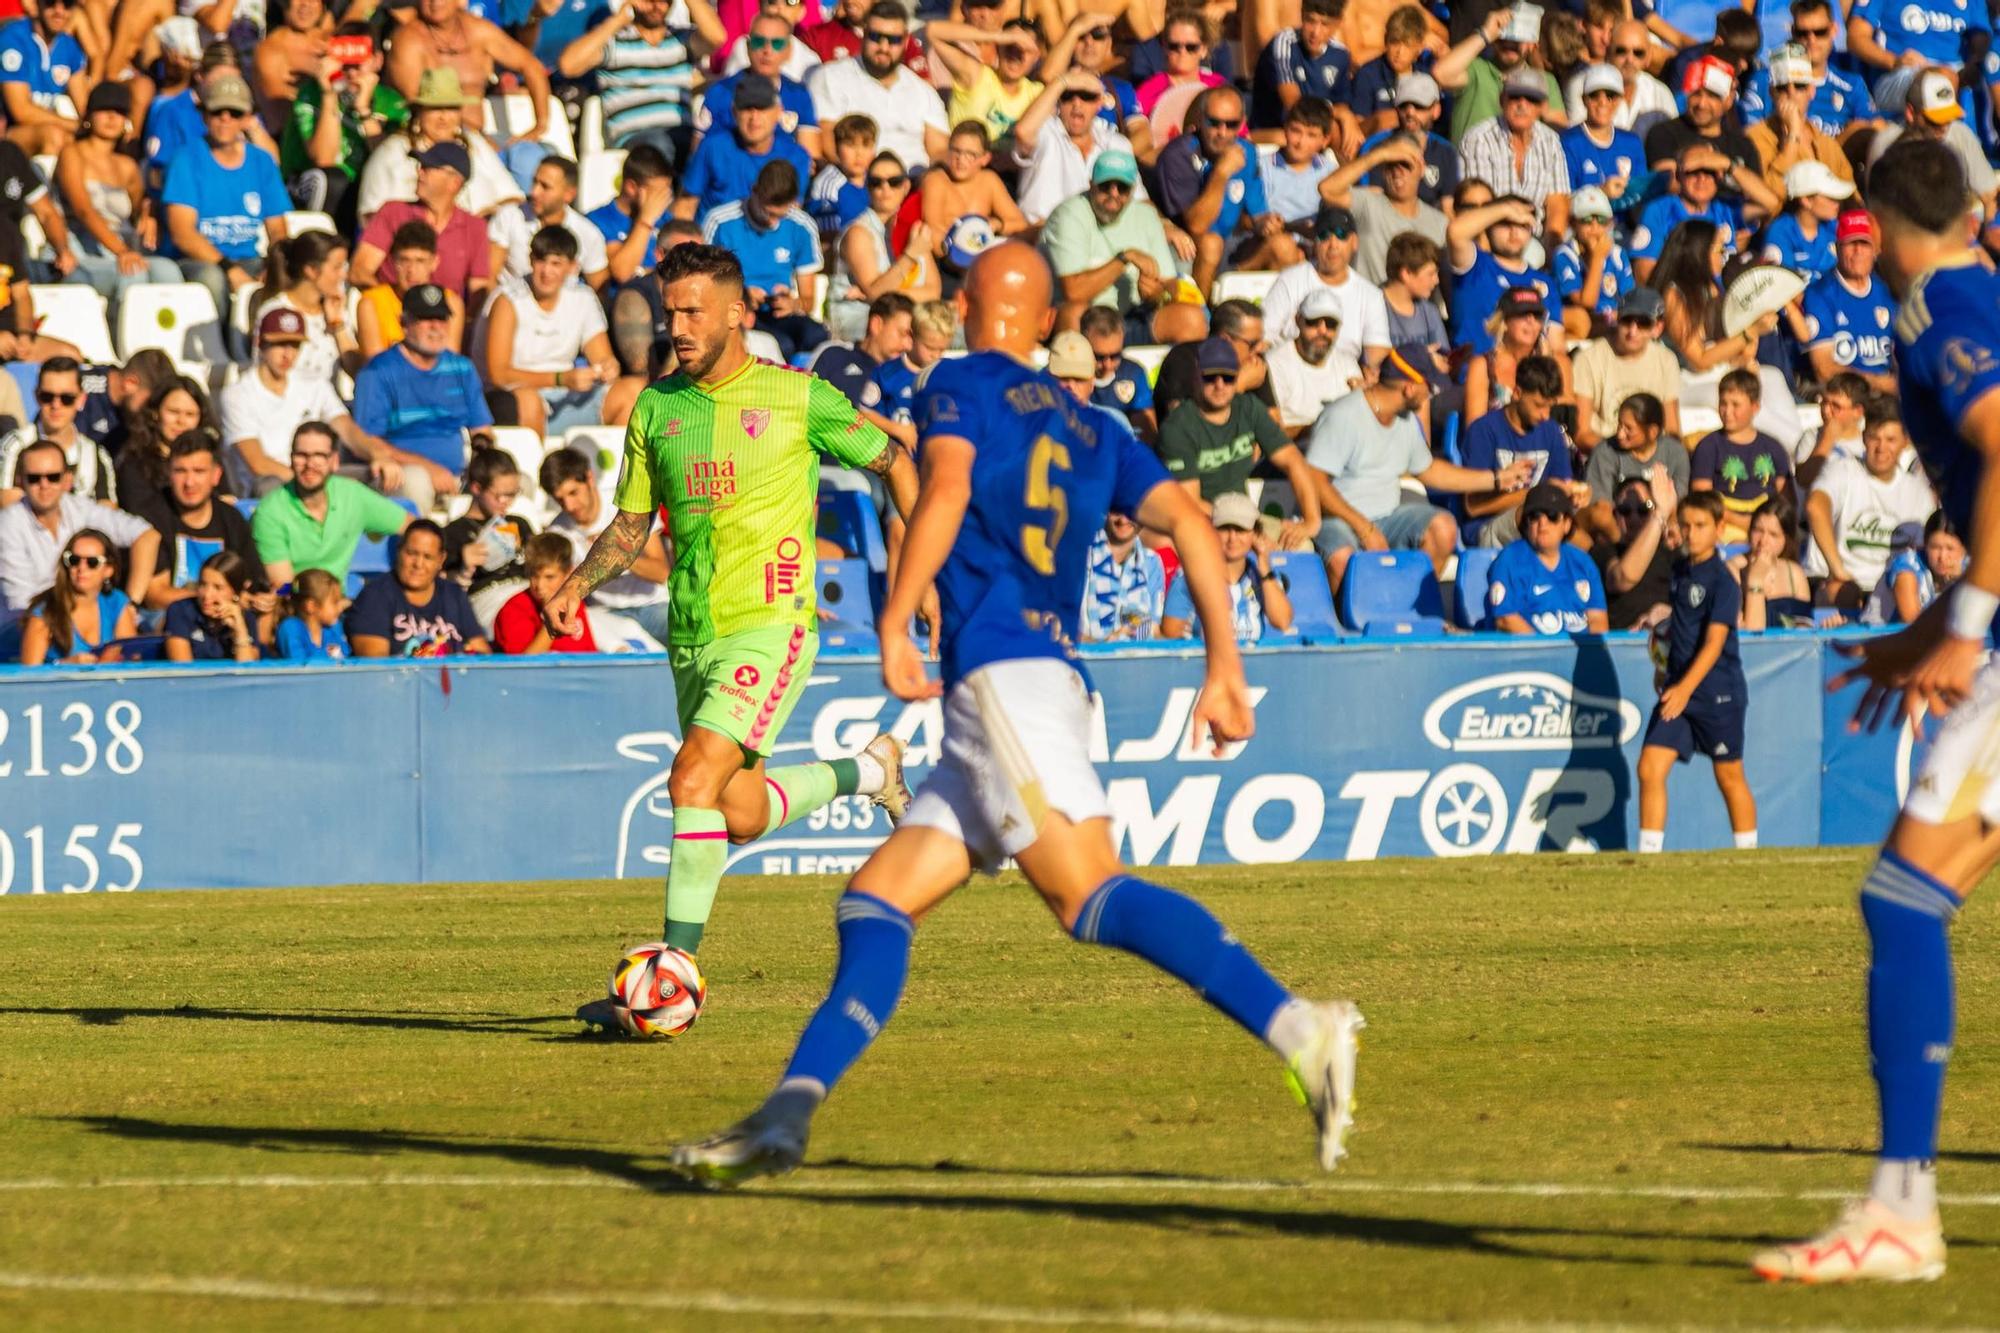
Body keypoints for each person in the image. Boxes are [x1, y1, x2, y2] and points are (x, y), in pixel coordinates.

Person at [668, 239, 1364, 1188]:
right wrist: (1224, 665)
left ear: (962, 305)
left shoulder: (954, 383)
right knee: (874, 901)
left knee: (1087, 895)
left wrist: (897, 614)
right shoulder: (1095, 424)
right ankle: (785, 1116)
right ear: (1047, 324)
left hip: (1000, 674)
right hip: (1034, 683)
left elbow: (945, 487)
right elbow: (1197, 527)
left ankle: (1301, 1027)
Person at [537, 243, 919, 1010]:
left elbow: (896, 460)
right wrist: (579, 581)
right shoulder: (656, 406)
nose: (673, 326)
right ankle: (870, 772)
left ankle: (669, 977)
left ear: (737, 312)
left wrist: (919, 581)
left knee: (691, 778)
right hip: (692, 633)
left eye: (690, 311)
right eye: (666, 310)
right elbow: (634, 522)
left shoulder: (797, 396)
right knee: (736, 812)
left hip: (771, 624)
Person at [1752, 134, 2000, 1287]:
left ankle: (1899, 1210)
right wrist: (1919, 636)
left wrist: (1959, 628)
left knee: (1901, 899)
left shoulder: (1934, 309)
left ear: (1878, 219)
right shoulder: (1977, 287)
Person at [1304, 348, 1530, 589]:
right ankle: (1345, 622)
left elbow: (1430, 470)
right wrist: (1364, 528)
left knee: (1443, 529)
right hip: (1338, 517)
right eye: (1429, 389)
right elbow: (1314, 483)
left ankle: (1407, 606)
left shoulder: (1405, 420)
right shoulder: (1342, 415)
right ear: (1409, 388)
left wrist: (1496, 479)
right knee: (1343, 559)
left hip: (1388, 517)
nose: (1429, 398)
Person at [1637, 490, 1756, 853]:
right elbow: (1680, 630)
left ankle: (1749, 855)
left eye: (1700, 526)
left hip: (1716, 691)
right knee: (1650, 767)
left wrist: (1686, 687)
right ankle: (1649, 858)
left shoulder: (1723, 581)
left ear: (1720, 528)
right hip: (1678, 689)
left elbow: (1714, 642)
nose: (1691, 533)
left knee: (1729, 775)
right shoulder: (1679, 570)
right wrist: (1664, 669)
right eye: (1685, 525)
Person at [1158, 338, 1323, 544]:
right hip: (1199, 522)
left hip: (1245, 518)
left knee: (1301, 547)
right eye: (1210, 377)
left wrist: (1311, 522)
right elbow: (1189, 502)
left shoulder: (1248, 408)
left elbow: (1292, 460)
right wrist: (1248, 530)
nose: (1219, 385)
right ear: (1196, 377)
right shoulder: (1177, 427)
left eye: (1227, 377)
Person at [0, 441, 158, 654]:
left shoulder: (80, 508)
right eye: (34, 478)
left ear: (67, 480)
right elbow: (25, 603)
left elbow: (146, 535)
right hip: (28, 624)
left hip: (86, 613)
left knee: (164, 625)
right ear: (20, 481)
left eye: (52, 477)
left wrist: (132, 602)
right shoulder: (8, 523)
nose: (44, 484)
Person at [222, 308, 397, 499]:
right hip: (271, 483)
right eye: (279, 344)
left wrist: (377, 454)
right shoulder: (237, 394)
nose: (288, 354)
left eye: (295, 345)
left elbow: (347, 429)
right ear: (260, 343)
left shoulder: (314, 384)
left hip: (317, 475)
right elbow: (258, 463)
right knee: (270, 487)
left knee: (386, 477)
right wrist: (315, 483)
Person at [162, 70, 290, 329]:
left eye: (235, 113)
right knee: (213, 279)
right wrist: (229, 268)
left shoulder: (261, 161)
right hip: (199, 261)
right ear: (204, 114)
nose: (225, 119)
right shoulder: (185, 159)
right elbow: (182, 233)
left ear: (247, 118)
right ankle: (223, 349)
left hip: (250, 257)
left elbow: (278, 229)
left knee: (289, 275)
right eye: (216, 111)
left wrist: (275, 267)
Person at [1041, 148, 1205, 347]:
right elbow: (1074, 292)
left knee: (1192, 318)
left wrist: (1156, 294)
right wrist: (1124, 258)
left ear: (1133, 190)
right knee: (1074, 312)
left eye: (1122, 188)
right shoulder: (1068, 216)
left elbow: (1169, 282)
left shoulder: (1146, 216)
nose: (1114, 194)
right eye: (1105, 186)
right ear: (1091, 185)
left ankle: (1182, 377)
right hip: (1088, 320)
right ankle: (1079, 375)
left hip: (1133, 316)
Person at [481, 226, 631, 435]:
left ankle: (615, 465)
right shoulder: (508, 300)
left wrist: (608, 368)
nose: (546, 272)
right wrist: (561, 379)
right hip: (517, 399)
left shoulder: (583, 297)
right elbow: (499, 375)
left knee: (633, 391)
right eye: (541, 261)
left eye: (556, 264)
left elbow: (602, 357)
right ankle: (537, 466)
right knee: (529, 401)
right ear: (531, 260)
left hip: (568, 398)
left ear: (572, 267)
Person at [353, 285, 494, 504]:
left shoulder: (462, 368)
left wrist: (484, 462)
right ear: (404, 323)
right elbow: (368, 441)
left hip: (459, 476)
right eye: (425, 319)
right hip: (399, 476)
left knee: (513, 481)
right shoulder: (378, 372)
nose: (436, 327)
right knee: (417, 482)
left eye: (442, 319)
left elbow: (481, 428)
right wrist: (427, 469)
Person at [1153, 87, 1300, 297]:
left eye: (1231, 125)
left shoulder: (1247, 151)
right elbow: (1196, 226)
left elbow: (1256, 213)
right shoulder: (1179, 155)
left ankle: (1272, 317)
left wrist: (1265, 223)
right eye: (1214, 123)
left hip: (1229, 244)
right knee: (1211, 243)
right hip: (1183, 249)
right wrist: (1221, 173)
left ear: (1241, 122)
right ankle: (1201, 318)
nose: (1222, 132)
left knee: (1284, 245)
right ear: (1201, 120)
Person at [56, 82, 179, 321]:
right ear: (89, 114)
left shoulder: (128, 166)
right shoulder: (72, 153)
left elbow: (140, 206)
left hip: (124, 248)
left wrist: (148, 213)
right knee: (132, 274)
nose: (113, 117)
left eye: (120, 111)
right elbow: (83, 209)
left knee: (169, 271)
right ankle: (126, 348)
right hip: (82, 251)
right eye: (104, 109)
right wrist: (122, 251)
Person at [1808, 398, 1939, 610]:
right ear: (1863, 439)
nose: (1881, 448)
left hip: (1894, 586)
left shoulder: (1918, 492)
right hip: (1845, 583)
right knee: (1843, 592)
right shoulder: (1843, 470)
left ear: (1905, 442)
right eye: (1874, 438)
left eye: (1890, 439)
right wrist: (1838, 570)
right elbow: (1815, 506)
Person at [250, 422, 414, 587]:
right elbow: (281, 587)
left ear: (334, 461)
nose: (309, 464)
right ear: (291, 459)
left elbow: (415, 528)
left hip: (340, 603)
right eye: (301, 455)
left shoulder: (352, 495)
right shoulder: (270, 512)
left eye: (319, 455)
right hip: (293, 605)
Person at [354, 67, 521, 225]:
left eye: (450, 108)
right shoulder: (394, 150)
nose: (443, 117)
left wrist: (479, 224)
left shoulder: (475, 144)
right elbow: (371, 214)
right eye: (435, 108)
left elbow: (511, 197)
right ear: (420, 111)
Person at [558, 0, 724, 158]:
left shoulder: (681, 39)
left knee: (718, 144)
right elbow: (568, 65)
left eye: (664, 1)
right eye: (650, 0)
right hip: (636, 141)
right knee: (663, 143)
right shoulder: (615, 42)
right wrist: (618, 19)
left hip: (681, 133)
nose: (657, 6)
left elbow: (718, 38)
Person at [383, 0, 553, 151]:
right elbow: (417, 104)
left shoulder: (478, 30)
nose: (435, 2)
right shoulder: (408, 40)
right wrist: (477, 141)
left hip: (483, 138)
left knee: (538, 156)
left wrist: (540, 125)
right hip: (436, 141)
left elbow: (532, 66)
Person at [280, 19, 401, 229]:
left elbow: (390, 161)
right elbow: (324, 159)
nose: (352, 73)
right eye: (345, 65)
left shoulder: (391, 101)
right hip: (310, 183)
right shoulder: (310, 94)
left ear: (378, 61)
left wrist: (364, 110)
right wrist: (329, 94)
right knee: (334, 179)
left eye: (358, 65)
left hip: (364, 185)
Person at [702, 158, 829, 358]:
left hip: (777, 314)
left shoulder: (802, 226)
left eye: (780, 215)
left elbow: (808, 299)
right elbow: (703, 282)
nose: (772, 222)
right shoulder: (720, 221)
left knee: (816, 336)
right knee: (781, 345)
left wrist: (792, 303)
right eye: (767, 212)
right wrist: (741, 294)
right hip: (735, 312)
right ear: (755, 191)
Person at [804, 2, 946, 170]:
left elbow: (939, 150)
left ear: (906, 41)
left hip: (914, 183)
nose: (883, 47)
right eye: (876, 37)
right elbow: (825, 141)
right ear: (864, 34)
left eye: (893, 40)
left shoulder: (922, 91)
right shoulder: (830, 77)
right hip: (855, 180)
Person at [1460, 355, 1583, 548]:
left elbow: (1562, 486)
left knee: (1595, 516)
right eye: (1539, 405)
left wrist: (1575, 494)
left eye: (1550, 407)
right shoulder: (1484, 430)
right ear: (1517, 393)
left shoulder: (1551, 431)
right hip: (1489, 525)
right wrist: (1536, 495)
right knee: (1537, 520)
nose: (1545, 415)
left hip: (1546, 523)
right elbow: (1473, 506)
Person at [352, 141, 491, 305]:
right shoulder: (393, 212)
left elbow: (479, 292)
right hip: (391, 319)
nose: (419, 172)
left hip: (445, 323)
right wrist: (396, 306)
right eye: (420, 166)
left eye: (428, 167)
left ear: (454, 182)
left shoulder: (475, 227)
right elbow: (359, 272)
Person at [140, 433, 268, 608]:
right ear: (169, 473)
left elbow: (254, 582)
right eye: (180, 471)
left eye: (199, 471)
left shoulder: (231, 519)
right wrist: (215, 598)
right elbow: (155, 596)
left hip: (226, 612)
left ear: (216, 475)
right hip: (170, 616)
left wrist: (263, 600)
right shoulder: (152, 516)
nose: (189, 482)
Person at [1260, 203, 1391, 364]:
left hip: (1344, 380)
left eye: (1341, 235)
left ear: (1354, 242)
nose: (1333, 245)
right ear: (1315, 242)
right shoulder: (1289, 280)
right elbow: (1263, 339)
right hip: (1290, 373)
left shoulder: (1371, 296)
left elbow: (1376, 357)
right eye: (1324, 235)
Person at [675, 73, 813, 225]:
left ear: (778, 112)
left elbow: (789, 213)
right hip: (713, 243)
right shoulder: (713, 147)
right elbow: (685, 206)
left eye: (762, 108)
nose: (754, 117)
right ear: (734, 112)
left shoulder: (795, 156)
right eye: (747, 108)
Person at [1314, 130, 1446, 287]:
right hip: (1365, 305)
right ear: (1383, 170)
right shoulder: (1367, 203)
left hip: (1414, 309)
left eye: (1405, 164)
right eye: (1391, 164)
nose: (1398, 171)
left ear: (1421, 169)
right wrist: (1380, 155)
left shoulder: (1440, 222)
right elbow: (1326, 189)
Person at [345, 518, 491, 657]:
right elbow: (376, 669)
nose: (418, 564)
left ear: (441, 560)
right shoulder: (375, 597)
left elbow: (482, 657)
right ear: (399, 552)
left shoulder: (454, 594)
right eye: (411, 553)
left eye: (427, 557)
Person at [1159, 492, 1293, 640]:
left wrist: (1263, 563)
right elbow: (1171, 637)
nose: (1232, 537)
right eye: (1224, 528)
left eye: (1240, 529)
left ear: (1255, 534)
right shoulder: (1188, 577)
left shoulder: (1263, 575)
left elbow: (1282, 621)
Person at [1458, 67, 1572, 238]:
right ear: (1502, 100)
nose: (1522, 104)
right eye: (1515, 97)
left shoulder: (1551, 141)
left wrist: (1552, 251)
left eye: (1531, 99)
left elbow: (1558, 203)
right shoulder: (1479, 138)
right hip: (1492, 235)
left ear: (1543, 107)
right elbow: (1477, 205)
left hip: (1536, 237)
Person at [1484, 481, 1610, 634]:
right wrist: (1547, 653)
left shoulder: (1583, 563)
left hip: (1580, 653)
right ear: (1526, 523)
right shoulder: (1509, 560)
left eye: (1552, 516)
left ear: (1567, 524)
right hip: (1529, 652)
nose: (1542, 524)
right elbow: (1506, 620)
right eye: (1534, 516)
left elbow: (1598, 621)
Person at [1444, 192, 1558, 356]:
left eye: (1522, 225)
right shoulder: (1474, 265)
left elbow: (1556, 345)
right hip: (1473, 374)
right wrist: (1504, 209)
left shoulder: (1545, 282)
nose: (1514, 232)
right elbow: (1455, 233)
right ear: (1489, 227)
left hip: (1525, 377)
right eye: (1505, 223)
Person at [1571, 287, 1681, 453]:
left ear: (1657, 327)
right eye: (1626, 321)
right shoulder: (1588, 359)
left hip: (1651, 456)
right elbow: (1582, 433)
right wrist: (1622, 457)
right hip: (1606, 453)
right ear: (1617, 319)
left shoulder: (1666, 360)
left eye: (1643, 323)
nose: (1632, 331)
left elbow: (1672, 429)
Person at [1800, 210, 1899, 396]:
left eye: (1864, 243)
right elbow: (1824, 369)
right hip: (1844, 395)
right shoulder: (1820, 294)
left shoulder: (1887, 291)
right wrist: (1879, 383)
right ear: (1837, 248)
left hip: (1887, 397)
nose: (1858, 251)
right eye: (1851, 243)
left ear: (1875, 250)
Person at [1691, 368, 1795, 541]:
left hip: (1768, 527)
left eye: (1735, 405)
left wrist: (1764, 525)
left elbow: (1787, 498)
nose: (1727, 411)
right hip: (1725, 527)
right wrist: (1742, 522)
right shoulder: (1709, 446)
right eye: (1723, 403)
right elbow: (1702, 499)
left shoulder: (1772, 446)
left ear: (1755, 407)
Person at [252, 231, 363, 391]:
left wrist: (338, 326)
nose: (343, 275)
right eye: (337, 267)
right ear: (311, 270)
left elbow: (357, 373)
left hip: (329, 408)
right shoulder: (275, 312)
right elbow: (264, 374)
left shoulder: (334, 310)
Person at [0, 358, 115, 506]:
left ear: (81, 400)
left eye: (67, 398)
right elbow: (7, 503)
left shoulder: (96, 455)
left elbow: (109, 514)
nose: (56, 405)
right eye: (47, 397)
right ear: (36, 396)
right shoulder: (15, 445)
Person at [488, 155, 610, 292]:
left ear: (569, 194)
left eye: (545, 187)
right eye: (534, 182)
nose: (534, 192)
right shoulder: (509, 217)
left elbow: (600, 290)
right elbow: (489, 276)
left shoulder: (588, 234)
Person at [17, 528, 138, 665]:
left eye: (92, 562)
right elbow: (28, 675)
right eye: (74, 560)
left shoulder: (117, 602)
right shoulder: (45, 612)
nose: (81, 568)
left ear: (109, 570)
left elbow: (132, 660)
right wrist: (64, 665)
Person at [917, 122, 1028, 262]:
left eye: (971, 154)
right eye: (956, 151)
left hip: (982, 259)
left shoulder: (989, 180)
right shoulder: (936, 180)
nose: (961, 159)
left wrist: (996, 224)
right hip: (946, 265)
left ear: (985, 158)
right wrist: (961, 249)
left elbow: (1021, 225)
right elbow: (933, 234)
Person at [356, 221, 467, 361]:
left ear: (435, 262)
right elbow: (376, 366)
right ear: (393, 261)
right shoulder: (371, 302)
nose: (412, 270)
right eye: (404, 260)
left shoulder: (450, 303)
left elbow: (449, 362)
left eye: (420, 261)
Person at [0, 0, 90, 156]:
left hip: (54, 127)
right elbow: (21, 112)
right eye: (51, 3)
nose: (59, 11)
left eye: (67, 5)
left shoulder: (70, 46)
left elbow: (85, 106)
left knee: (85, 145)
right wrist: (78, 126)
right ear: (37, 5)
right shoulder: (13, 38)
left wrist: (89, 126)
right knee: (54, 136)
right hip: (8, 131)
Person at [1266, 287, 1359, 435]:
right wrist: (1319, 428)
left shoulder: (1348, 363)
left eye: (1330, 324)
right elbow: (1270, 433)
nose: (1322, 331)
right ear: (1298, 320)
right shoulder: (1274, 363)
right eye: (1313, 322)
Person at [1592, 471, 1678, 629]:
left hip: (1665, 639)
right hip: (1622, 643)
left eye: (1643, 509)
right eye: (1625, 510)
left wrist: (1666, 614)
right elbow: (1622, 579)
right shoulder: (1602, 552)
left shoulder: (1673, 554)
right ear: (1615, 515)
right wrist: (1660, 514)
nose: (1634, 518)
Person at [494, 530, 597, 654]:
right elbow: (523, 666)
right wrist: (552, 619)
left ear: (569, 573)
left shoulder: (573, 603)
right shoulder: (514, 609)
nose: (539, 586)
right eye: (534, 575)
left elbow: (589, 655)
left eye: (549, 577)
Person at [1552, 186, 1632, 339]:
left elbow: (1629, 297)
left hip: (1614, 321)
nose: (1594, 227)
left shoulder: (1618, 254)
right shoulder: (1565, 255)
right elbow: (1586, 303)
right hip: (1585, 325)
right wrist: (1597, 258)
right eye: (1586, 220)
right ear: (1573, 223)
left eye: (1601, 220)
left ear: (1610, 224)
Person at [164, 549, 271, 662]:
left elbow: (248, 672)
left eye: (218, 587)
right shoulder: (180, 611)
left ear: (236, 591)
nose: (207, 595)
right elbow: (182, 669)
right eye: (203, 584)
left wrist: (239, 630)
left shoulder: (246, 618)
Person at [1860, 510, 1963, 627]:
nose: (1942, 557)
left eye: (1950, 548)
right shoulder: (1906, 570)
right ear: (1925, 545)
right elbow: (1917, 626)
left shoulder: (1966, 568)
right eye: (1935, 547)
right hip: (1878, 636)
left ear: (1963, 549)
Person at [1078, 506, 1164, 641]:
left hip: (1137, 658)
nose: (1123, 519)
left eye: (1131, 511)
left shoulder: (1151, 562)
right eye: (1116, 510)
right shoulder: (1079, 555)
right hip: (1086, 656)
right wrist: (1104, 646)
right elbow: (1061, 626)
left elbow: (1154, 629)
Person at [1727, 496, 1815, 628]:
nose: (1763, 541)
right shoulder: (1732, 569)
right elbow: (1751, 632)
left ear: (1786, 539)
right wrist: (1755, 580)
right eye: (1758, 530)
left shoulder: (1794, 573)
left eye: (1773, 534)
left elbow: (1805, 627)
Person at [1760, 161, 1851, 280]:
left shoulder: (1834, 227)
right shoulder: (1779, 232)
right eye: (1830, 197)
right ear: (1806, 200)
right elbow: (1783, 287)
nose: (1837, 203)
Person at [1079, 304, 1155, 441]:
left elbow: (1145, 435)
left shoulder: (1133, 375)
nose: (1107, 365)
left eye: (1115, 355)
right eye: (1099, 357)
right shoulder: (1068, 377)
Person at [273, 566, 351, 659]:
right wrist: (329, 656)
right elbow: (298, 664)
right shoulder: (290, 627)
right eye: (335, 602)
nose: (340, 607)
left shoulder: (333, 626)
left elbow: (345, 655)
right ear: (311, 606)